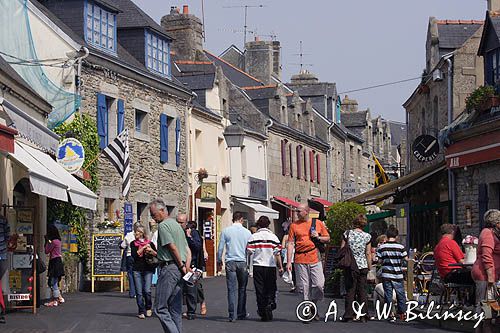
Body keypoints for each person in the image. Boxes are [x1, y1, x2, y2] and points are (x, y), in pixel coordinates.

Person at [150, 199, 191, 333]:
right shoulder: (176, 225)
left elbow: (172, 247)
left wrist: (180, 265)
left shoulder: (163, 226)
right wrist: (186, 266)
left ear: (162, 211)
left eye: (154, 214)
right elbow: (186, 248)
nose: (152, 217)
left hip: (170, 267)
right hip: (179, 268)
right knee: (175, 308)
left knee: (160, 308)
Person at [286, 203, 330, 320]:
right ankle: (307, 311)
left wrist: (318, 237)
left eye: (299, 211)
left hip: (314, 256)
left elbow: (327, 238)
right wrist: (289, 261)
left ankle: (313, 305)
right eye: (296, 211)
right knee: (304, 287)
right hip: (299, 258)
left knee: (319, 285)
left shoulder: (317, 223)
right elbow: (290, 243)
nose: (297, 213)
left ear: (306, 211)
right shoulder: (294, 226)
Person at [217, 211, 252, 322]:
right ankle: (241, 312)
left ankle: (232, 315)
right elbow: (249, 250)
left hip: (230, 261)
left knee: (231, 289)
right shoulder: (247, 233)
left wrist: (219, 260)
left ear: (233, 219)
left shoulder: (226, 231)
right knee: (242, 288)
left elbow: (221, 247)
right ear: (241, 219)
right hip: (242, 261)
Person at [247, 216, 283, 321]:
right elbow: (277, 253)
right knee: (271, 287)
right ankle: (270, 303)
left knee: (259, 289)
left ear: (258, 224)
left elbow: (249, 252)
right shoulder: (274, 237)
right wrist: (280, 267)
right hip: (270, 266)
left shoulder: (254, 237)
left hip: (258, 266)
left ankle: (262, 309)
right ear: (268, 225)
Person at [340, 214, 372, 323]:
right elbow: (368, 253)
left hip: (350, 265)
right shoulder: (367, 236)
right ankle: (364, 315)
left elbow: (342, 249)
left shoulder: (347, 234)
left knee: (350, 290)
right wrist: (369, 266)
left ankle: (349, 315)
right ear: (364, 224)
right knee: (362, 291)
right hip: (362, 265)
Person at [376, 225, 408, 322]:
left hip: (386, 274)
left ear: (387, 235)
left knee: (388, 294)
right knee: (400, 294)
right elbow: (406, 259)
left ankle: (390, 313)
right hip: (398, 274)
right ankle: (402, 313)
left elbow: (379, 261)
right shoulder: (401, 247)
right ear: (396, 236)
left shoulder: (382, 247)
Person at [177, 215, 206, 320]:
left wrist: (189, 237)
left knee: (192, 288)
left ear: (186, 223)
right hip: (180, 264)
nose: (180, 225)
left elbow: (198, 247)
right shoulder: (177, 232)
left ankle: (191, 312)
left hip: (192, 265)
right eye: (178, 222)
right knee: (180, 288)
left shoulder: (193, 233)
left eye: (181, 222)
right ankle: (179, 310)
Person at [471, 209, 500, 313]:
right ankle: (481, 325)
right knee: (484, 305)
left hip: (490, 274)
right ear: (496, 223)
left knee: (489, 305)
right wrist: (490, 276)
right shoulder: (488, 233)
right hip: (484, 274)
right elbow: (486, 255)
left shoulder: (495, 234)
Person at [130, 225, 157, 319]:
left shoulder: (150, 243)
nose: (135, 233)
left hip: (148, 269)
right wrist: (143, 247)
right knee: (139, 292)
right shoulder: (133, 244)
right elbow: (135, 255)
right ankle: (141, 311)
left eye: (137, 232)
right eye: (135, 232)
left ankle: (148, 307)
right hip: (137, 269)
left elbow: (156, 254)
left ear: (142, 233)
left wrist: (150, 250)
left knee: (147, 290)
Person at [44, 224, 65, 307]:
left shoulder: (53, 242)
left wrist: (46, 241)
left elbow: (46, 250)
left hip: (54, 262)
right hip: (58, 261)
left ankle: (55, 300)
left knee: (53, 282)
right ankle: (59, 298)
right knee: (55, 281)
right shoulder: (58, 241)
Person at [121, 222, 142, 298]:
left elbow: (123, 245)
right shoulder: (142, 235)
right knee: (139, 274)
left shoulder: (129, 235)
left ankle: (132, 293)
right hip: (139, 257)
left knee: (130, 275)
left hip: (130, 256)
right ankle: (139, 292)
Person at [281, 226, 296, 292]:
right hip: (295, 253)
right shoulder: (296, 236)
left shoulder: (286, 236)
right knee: (295, 272)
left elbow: (283, 246)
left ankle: (292, 285)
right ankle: (295, 285)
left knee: (289, 271)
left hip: (288, 254)